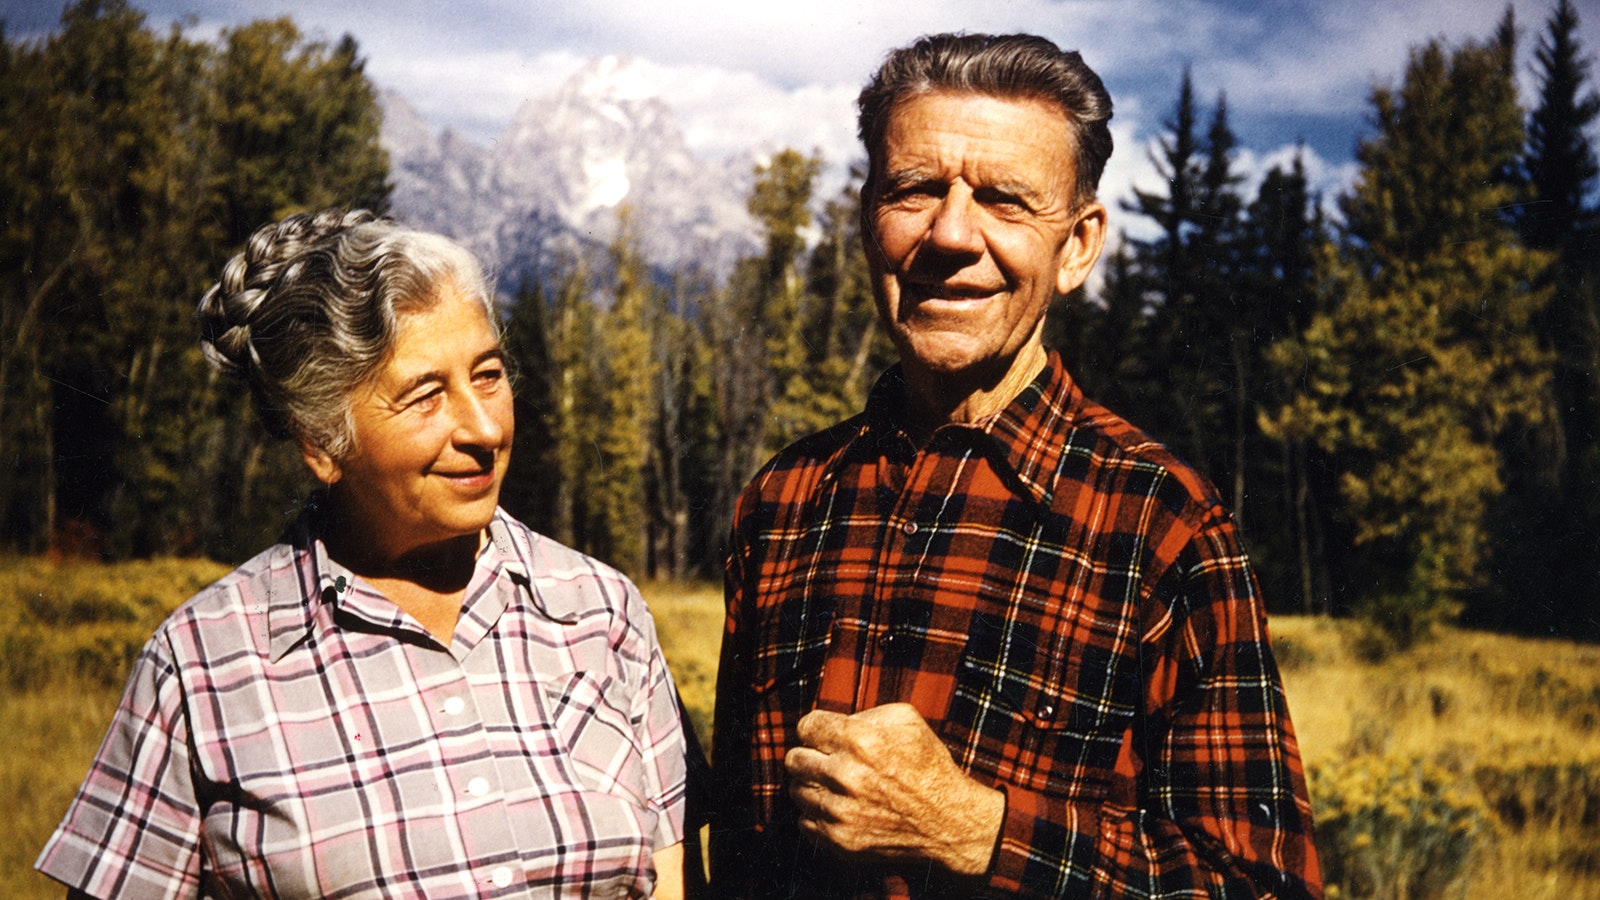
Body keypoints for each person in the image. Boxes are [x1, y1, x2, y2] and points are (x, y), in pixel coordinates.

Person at [710, 33, 1321, 898]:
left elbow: (1264, 886)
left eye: (1005, 201)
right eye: (915, 190)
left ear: (1077, 246)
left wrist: (979, 831)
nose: (951, 235)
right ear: (864, 221)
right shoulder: (785, 500)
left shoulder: (1162, 523)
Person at [37, 209, 691, 899]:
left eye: (489, 374)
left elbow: (673, 881)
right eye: (425, 395)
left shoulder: (601, 611)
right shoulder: (202, 666)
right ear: (322, 442)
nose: (483, 425)